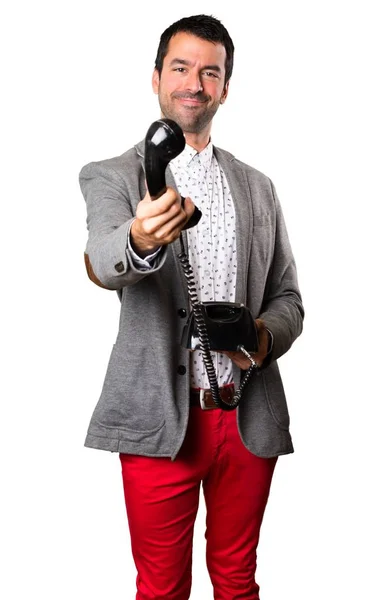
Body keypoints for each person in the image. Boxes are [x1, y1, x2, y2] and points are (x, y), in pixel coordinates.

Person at [79, 14, 304, 600]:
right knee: (161, 589)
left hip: (245, 418)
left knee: (237, 581)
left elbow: (289, 298)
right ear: (156, 77)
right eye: (180, 68)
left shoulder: (259, 187)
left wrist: (259, 337)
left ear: (225, 88)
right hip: (159, 421)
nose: (194, 84)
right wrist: (142, 239)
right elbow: (102, 260)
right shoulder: (111, 175)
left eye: (210, 72)